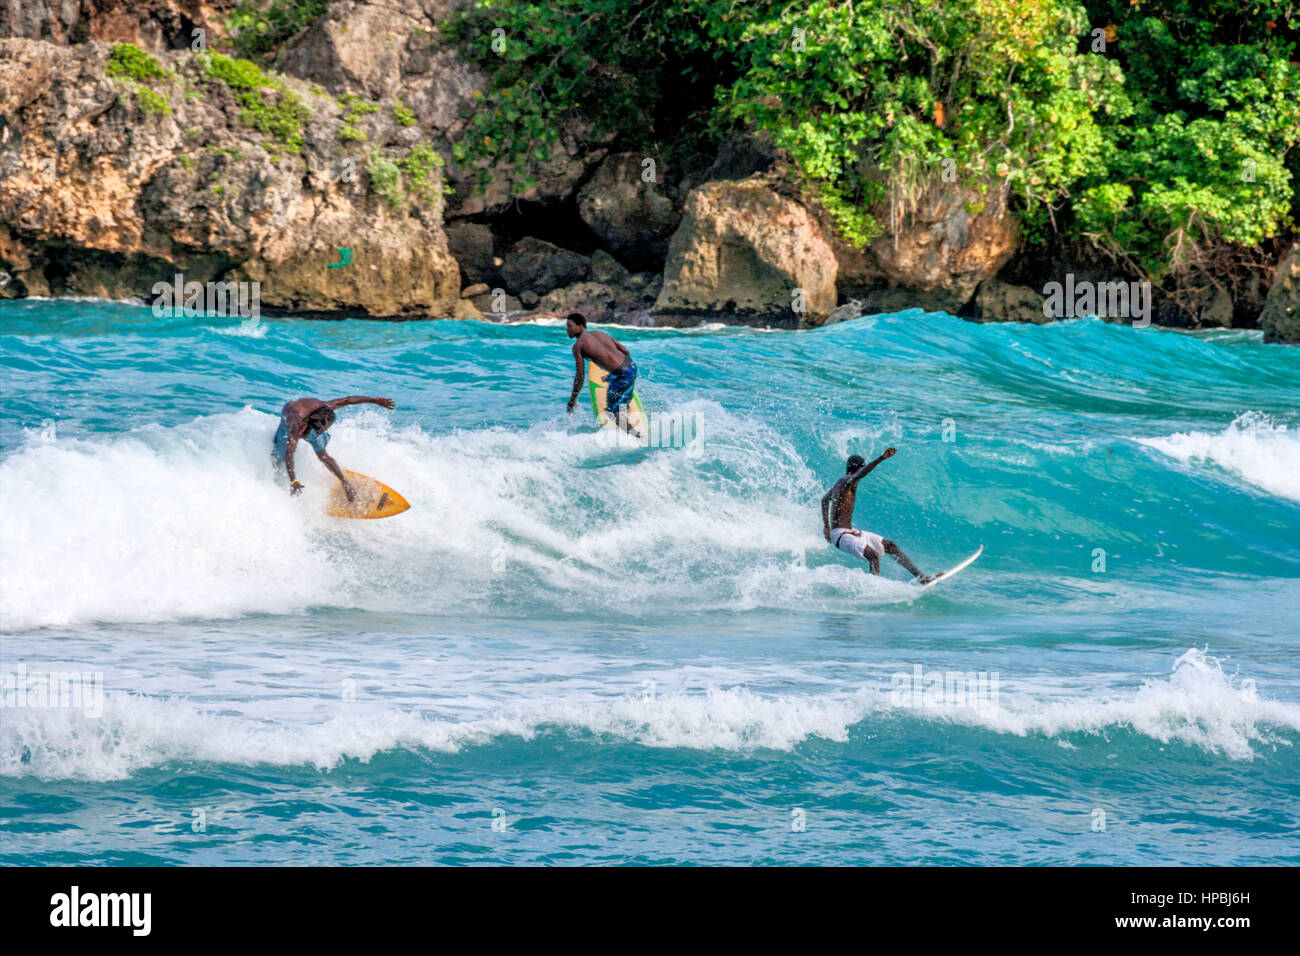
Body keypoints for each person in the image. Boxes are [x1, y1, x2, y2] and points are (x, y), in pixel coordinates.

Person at [821, 448, 933, 582]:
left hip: (847, 532)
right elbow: (861, 474)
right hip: (841, 536)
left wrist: (827, 526)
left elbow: (824, 500)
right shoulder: (850, 480)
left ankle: (922, 578)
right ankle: (873, 588)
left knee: (890, 546)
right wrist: (882, 457)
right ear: (859, 468)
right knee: (872, 555)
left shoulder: (840, 482)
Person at [271, 396, 395, 500]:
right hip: (288, 426)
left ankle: (345, 482)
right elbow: (289, 453)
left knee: (323, 456)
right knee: (280, 456)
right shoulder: (295, 426)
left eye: (322, 429)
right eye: (318, 429)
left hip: (311, 422)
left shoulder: (325, 407)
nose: (319, 432)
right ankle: (276, 474)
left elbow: (348, 400)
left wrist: (375, 400)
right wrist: (293, 480)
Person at [564, 312, 641, 436]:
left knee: (612, 413)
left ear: (580, 326)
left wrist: (573, 399)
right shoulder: (600, 333)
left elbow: (580, 376)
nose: (567, 330)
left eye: (569, 326)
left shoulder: (578, 346)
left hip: (622, 376)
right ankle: (624, 401)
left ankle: (636, 437)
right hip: (631, 366)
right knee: (613, 381)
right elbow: (625, 350)